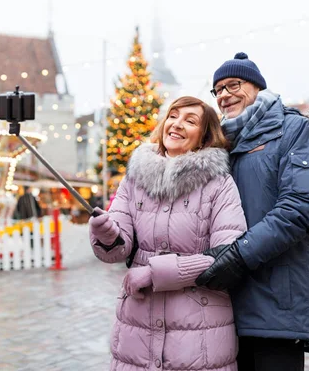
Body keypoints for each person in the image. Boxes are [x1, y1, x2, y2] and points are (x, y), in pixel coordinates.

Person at [195, 52, 309, 370]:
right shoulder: (219, 146)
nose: (224, 94)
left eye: (234, 84)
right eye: (217, 90)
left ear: (257, 87)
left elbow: (303, 205)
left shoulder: (296, 131)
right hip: (224, 307)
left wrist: (239, 255)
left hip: (277, 305)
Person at [89, 96, 247, 370]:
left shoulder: (220, 184)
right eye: (173, 115)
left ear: (204, 137)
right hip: (137, 330)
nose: (177, 124)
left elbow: (227, 257)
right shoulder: (134, 178)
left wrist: (153, 273)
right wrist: (105, 233)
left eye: (190, 120)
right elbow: (118, 248)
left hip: (200, 334)